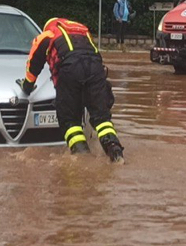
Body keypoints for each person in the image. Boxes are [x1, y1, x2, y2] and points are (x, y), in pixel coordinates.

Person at [18, 17, 124, 162]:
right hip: (95, 69)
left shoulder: (47, 35)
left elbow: (34, 64)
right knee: (102, 118)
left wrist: (27, 86)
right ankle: (115, 151)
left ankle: (81, 157)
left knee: (70, 121)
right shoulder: (83, 32)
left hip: (70, 69)